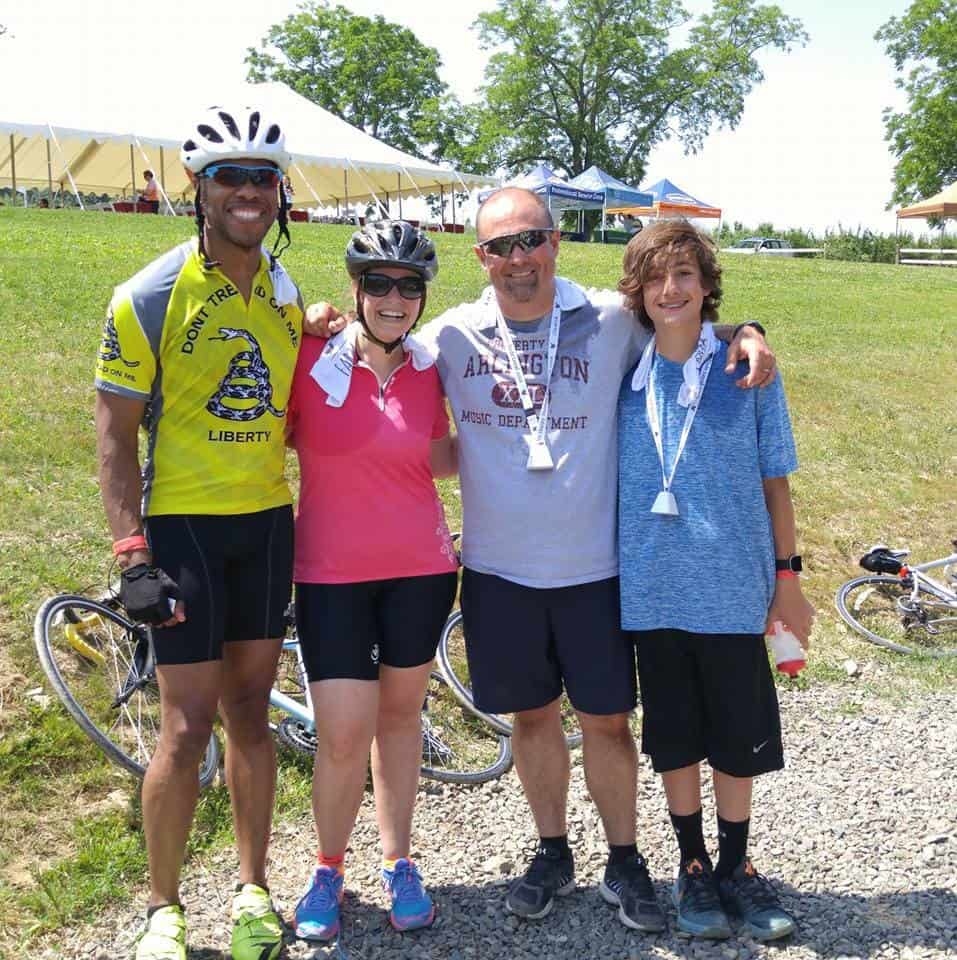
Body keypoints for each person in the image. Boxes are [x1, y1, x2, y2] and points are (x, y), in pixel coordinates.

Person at [309, 186, 775, 932]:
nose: (518, 259)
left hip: (594, 569)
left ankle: (624, 859)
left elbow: (684, 320)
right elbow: (379, 358)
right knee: (530, 721)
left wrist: (745, 330)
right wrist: (320, 320)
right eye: (500, 247)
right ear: (480, 258)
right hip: (499, 572)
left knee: (607, 723)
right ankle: (551, 849)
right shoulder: (452, 337)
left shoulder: (612, 320)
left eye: (531, 241)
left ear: (556, 243)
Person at [95, 104, 302, 960]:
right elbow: (112, 433)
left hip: (264, 525)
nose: (248, 193)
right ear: (198, 188)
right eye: (230, 178)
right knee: (184, 726)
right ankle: (162, 908)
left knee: (251, 714)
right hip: (182, 528)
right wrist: (130, 554)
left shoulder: (287, 293)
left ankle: (254, 892)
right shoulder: (147, 294)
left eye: (262, 178)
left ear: (279, 192)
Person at [616, 220, 815, 940]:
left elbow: (775, 486)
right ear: (635, 292)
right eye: (654, 278)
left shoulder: (747, 370)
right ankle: (693, 866)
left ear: (706, 286)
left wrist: (787, 579)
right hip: (651, 591)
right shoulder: (622, 374)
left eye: (684, 276)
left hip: (732, 590)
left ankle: (736, 865)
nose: (669, 290)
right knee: (674, 740)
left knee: (736, 740)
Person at [287, 221, 458, 942]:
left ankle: (397, 860)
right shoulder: (308, 355)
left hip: (420, 571)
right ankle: (328, 867)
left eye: (409, 286)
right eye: (379, 283)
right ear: (355, 289)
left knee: (398, 723)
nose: (394, 298)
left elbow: (440, 457)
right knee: (341, 735)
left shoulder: (432, 368)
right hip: (329, 576)